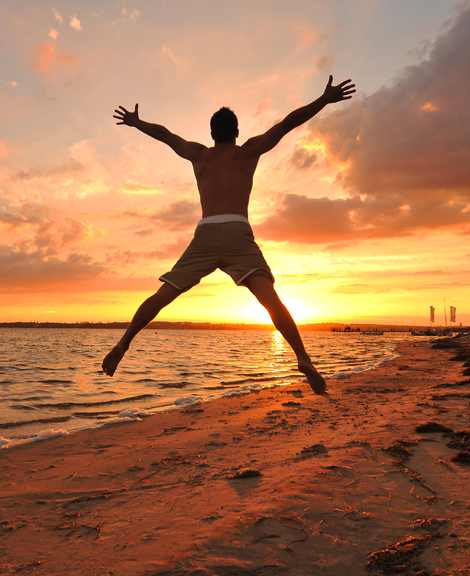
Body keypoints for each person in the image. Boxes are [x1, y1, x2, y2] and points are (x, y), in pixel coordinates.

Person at [102, 75, 357, 395]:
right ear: (237, 133)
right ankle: (303, 357)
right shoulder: (247, 151)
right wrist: (323, 99)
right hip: (238, 231)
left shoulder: (200, 155)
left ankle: (124, 342)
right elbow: (287, 123)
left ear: (211, 134)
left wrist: (137, 122)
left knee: (163, 295)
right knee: (271, 301)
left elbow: (167, 136)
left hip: (206, 232)